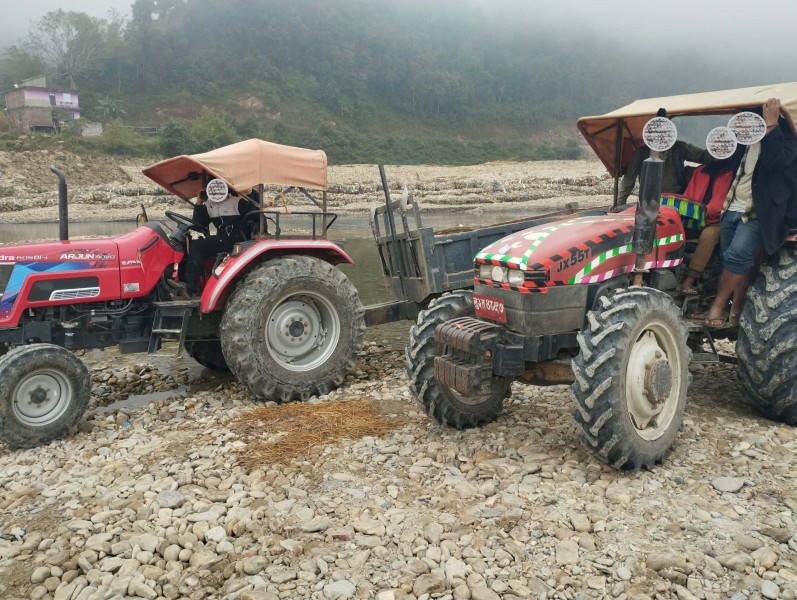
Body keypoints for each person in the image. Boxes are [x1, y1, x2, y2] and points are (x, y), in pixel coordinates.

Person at [701, 98, 797, 326]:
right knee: (729, 260)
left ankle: (717, 308)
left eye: (750, 116)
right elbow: (728, 162)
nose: (745, 123)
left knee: (737, 256)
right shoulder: (744, 140)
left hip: (759, 211)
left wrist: (771, 126)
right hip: (733, 206)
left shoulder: (787, 138)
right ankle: (735, 312)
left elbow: (776, 163)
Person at [679, 145, 745, 295]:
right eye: (716, 148)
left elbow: (722, 203)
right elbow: (689, 196)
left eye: (724, 149)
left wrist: (703, 211)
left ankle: (689, 280)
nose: (719, 152)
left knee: (708, 236)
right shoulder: (700, 171)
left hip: (719, 221)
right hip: (695, 218)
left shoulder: (733, 174)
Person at [184, 183, 258, 297]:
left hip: (236, 241)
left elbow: (258, 216)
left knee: (197, 246)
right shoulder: (209, 205)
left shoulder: (237, 202)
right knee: (190, 245)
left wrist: (258, 234)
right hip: (221, 240)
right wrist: (199, 203)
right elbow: (198, 225)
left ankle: (190, 287)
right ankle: (193, 284)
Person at [618, 140, 712, 204]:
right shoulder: (641, 152)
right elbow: (628, 179)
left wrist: (720, 154)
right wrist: (620, 203)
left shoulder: (679, 147)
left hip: (677, 197)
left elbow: (703, 155)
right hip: (648, 200)